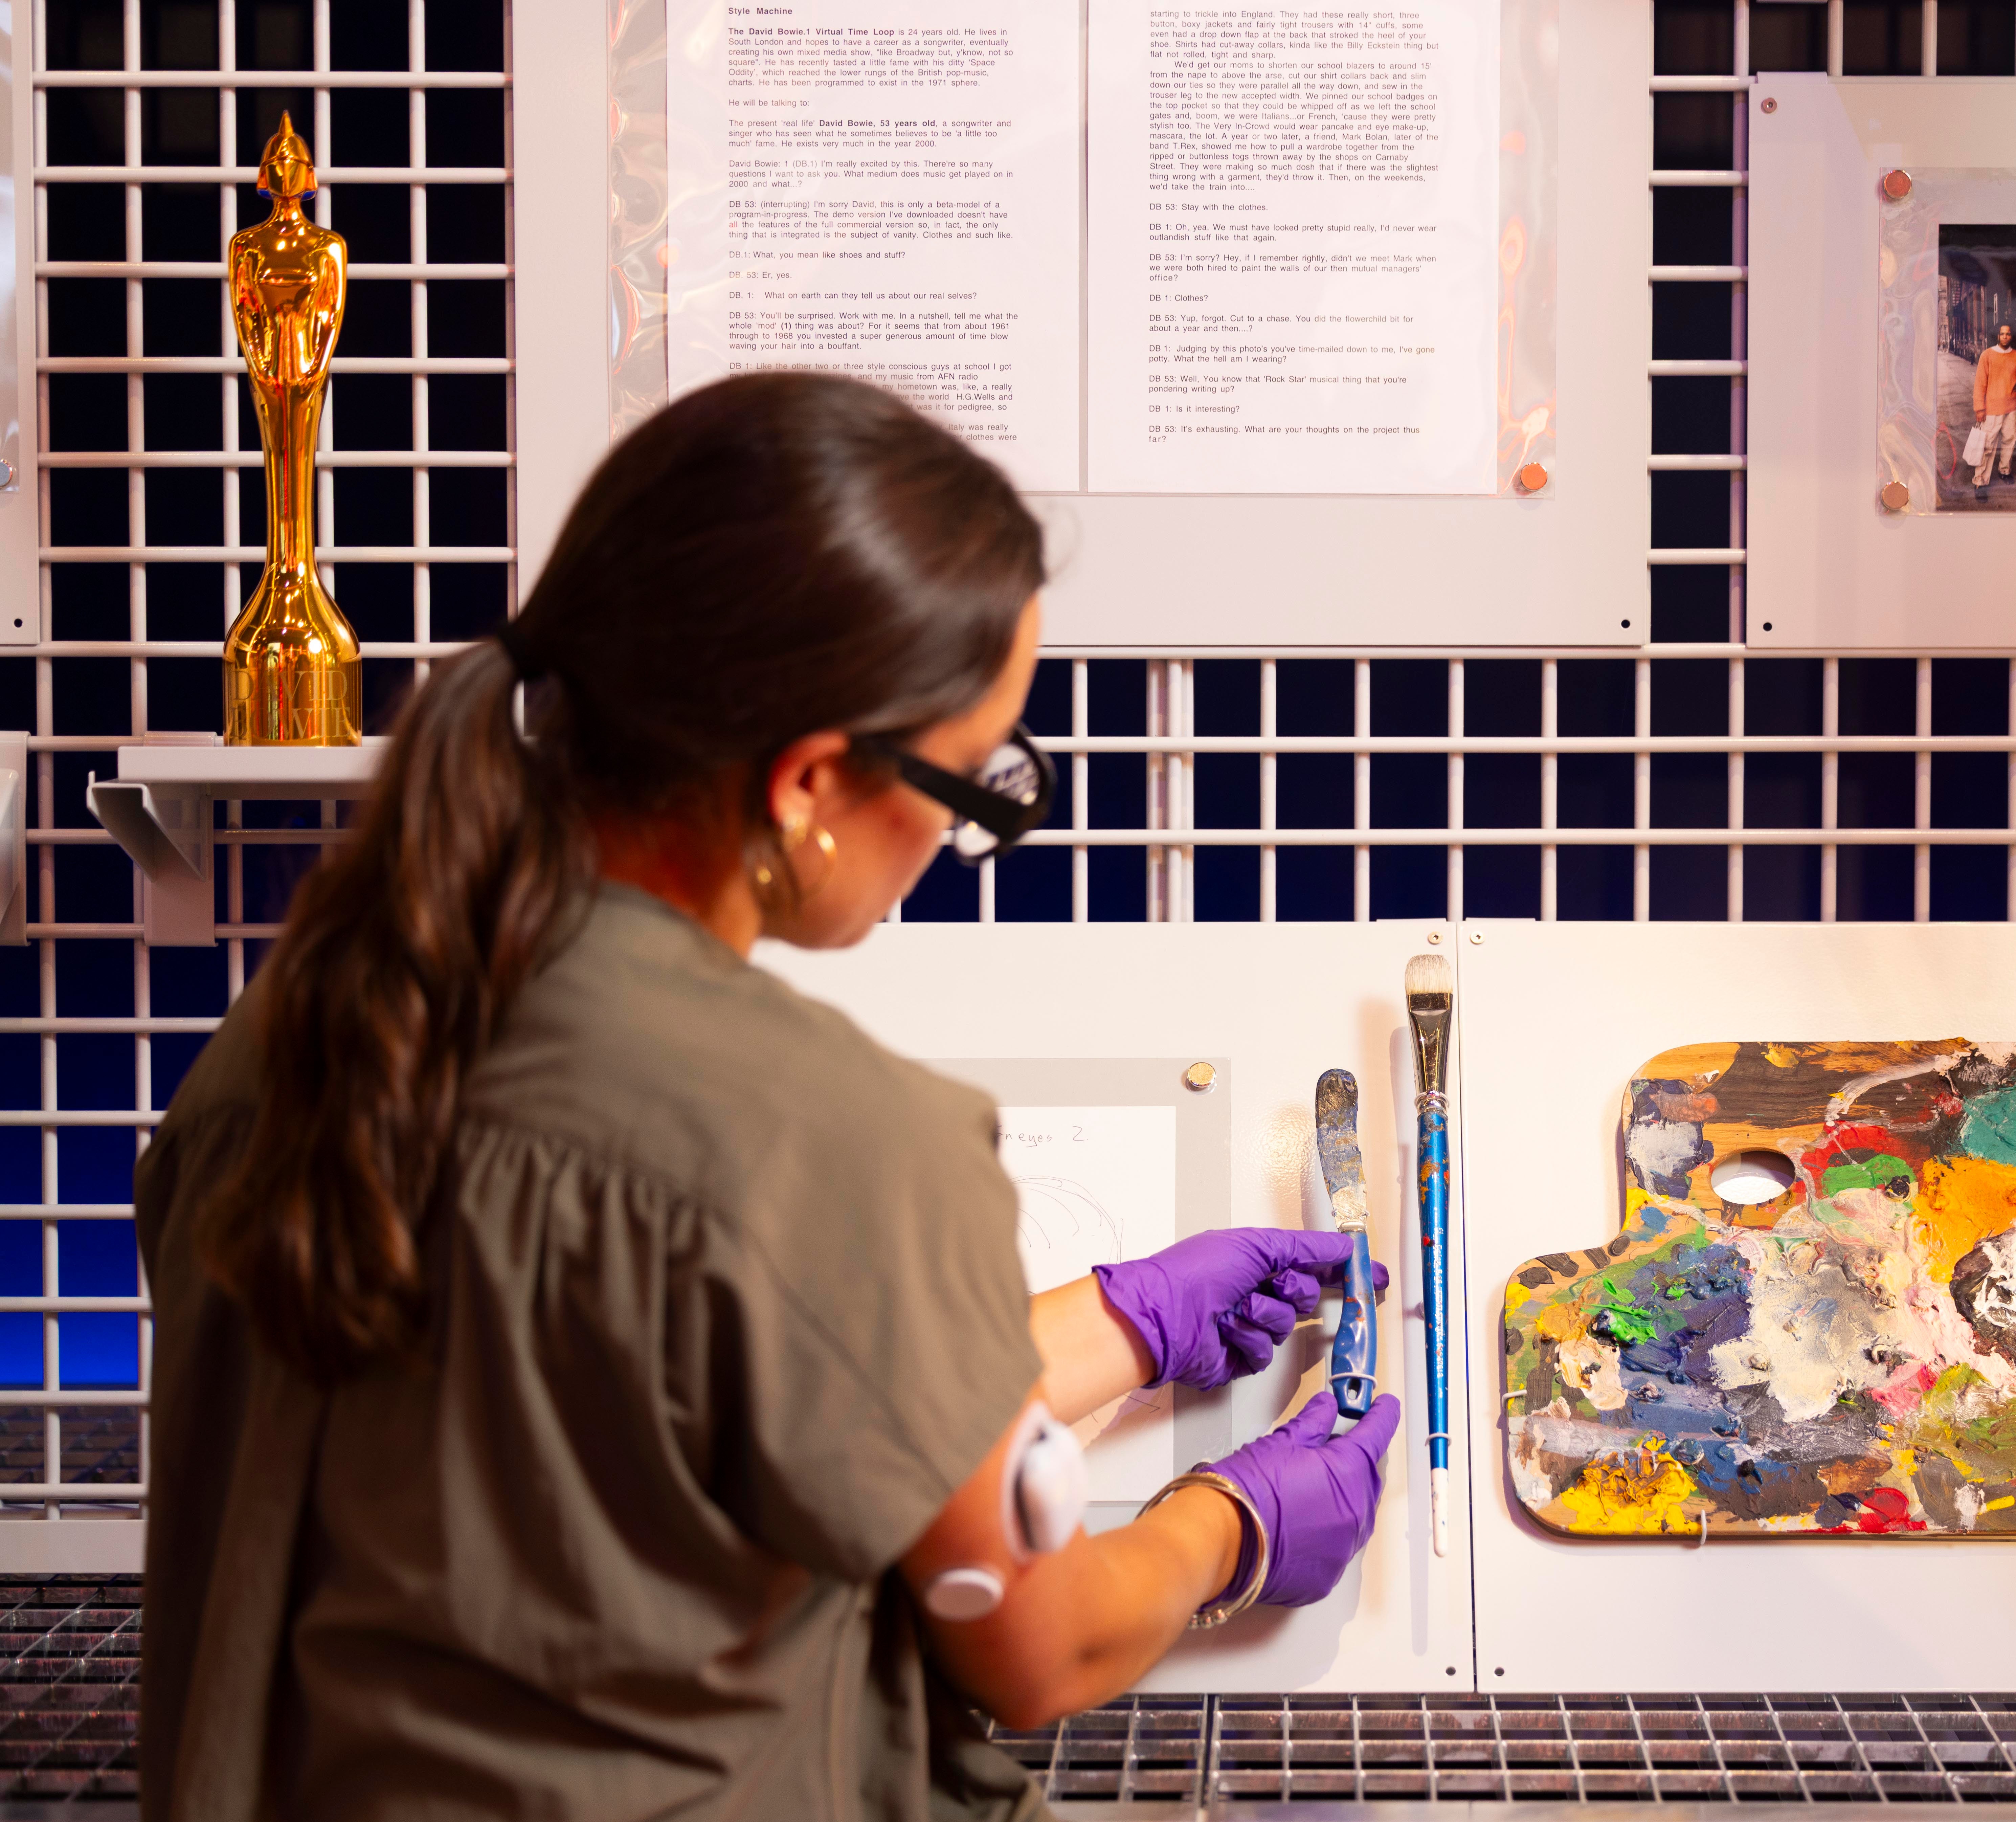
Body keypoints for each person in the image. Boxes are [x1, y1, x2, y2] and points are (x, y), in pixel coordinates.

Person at [133, 372, 1402, 1819]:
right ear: (806, 782)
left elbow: (610, 1406)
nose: (949, 829)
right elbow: (1036, 1648)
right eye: (971, 780)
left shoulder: (280, 1051)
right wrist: (1227, 1524)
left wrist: (1124, 1322)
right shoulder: (836, 1134)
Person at [1966, 323, 2016, 496]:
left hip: (2011, 408)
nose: (2005, 337)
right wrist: (1979, 409)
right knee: (1987, 446)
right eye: (2002, 334)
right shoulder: (1987, 355)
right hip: (1991, 409)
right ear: (1998, 336)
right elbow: (1980, 384)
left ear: (2012, 336)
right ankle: (1980, 482)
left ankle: (2004, 471)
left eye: (2008, 334)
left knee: (2009, 441)